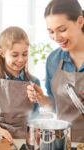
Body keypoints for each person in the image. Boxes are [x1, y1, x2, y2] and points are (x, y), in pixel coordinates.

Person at [27, 0, 84, 143]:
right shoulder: (53, 60)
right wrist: (42, 99)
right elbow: (55, 106)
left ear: (80, 21)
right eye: (51, 31)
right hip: (64, 142)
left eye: (62, 29)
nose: (57, 38)